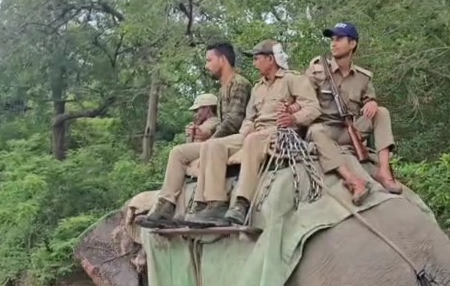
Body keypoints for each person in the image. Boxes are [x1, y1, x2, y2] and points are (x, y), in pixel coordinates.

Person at [183, 39, 321, 227]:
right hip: (256, 132)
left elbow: (313, 107)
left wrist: (294, 119)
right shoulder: (258, 87)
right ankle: (215, 203)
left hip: (280, 131)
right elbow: (249, 118)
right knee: (212, 144)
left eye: (257, 58)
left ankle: (242, 202)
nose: (254, 63)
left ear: (271, 59)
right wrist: (245, 131)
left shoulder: (292, 79)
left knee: (253, 140)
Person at [137, 42, 252, 229]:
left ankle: (214, 204)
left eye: (209, 60)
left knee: (208, 147)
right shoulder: (223, 88)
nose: (207, 65)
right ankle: (166, 205)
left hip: (233, 139)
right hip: (220, 140)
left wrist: (212, 138)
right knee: (178, 152)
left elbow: (234, 120)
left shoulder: (239, 83)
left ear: (222, 60)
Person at [303, 22, 403, 194]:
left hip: (351, 130)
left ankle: (384, 172)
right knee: (316, 130)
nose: (333, 43)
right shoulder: (317, 70)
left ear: (352, 44)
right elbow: (303, 100)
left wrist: (371, 102)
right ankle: (351, 180)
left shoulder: (363, 77)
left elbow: (369, 99)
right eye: (332, 39)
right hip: (325, 130)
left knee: (382, 112)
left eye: (339, 39)